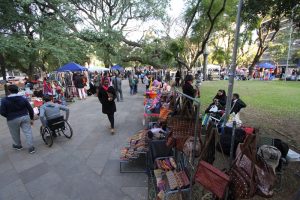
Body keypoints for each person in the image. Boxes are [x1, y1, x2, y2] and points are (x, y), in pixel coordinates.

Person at [0, 85, 35, 154]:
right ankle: (31, 148)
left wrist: (8, 116)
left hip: (12, 119)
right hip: (24, 116)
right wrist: (31, 118)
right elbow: (30, 109)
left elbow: (2, 112)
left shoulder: (4, 100)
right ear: (17, 90)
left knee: (15, 133)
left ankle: (18, 145)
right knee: (28, 132)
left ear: (9, 91)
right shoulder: (23, 98)